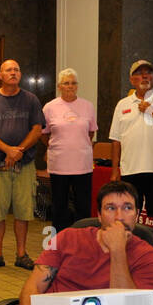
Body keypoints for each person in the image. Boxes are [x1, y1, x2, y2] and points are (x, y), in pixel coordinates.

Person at [19, 180, 153, 305]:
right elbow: (33, 288)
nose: (119, 216)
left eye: (127, 208)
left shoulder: (149, 256)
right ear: (99, 215)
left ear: (137, 215)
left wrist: (117, 249)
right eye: (111, 208)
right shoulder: (67, 237)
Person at [110, 59, 153, 273]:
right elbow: (115, 140)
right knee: (129, 216)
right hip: (131, 169)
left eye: (148, 73)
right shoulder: (122, 104)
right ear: (131, 79)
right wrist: (114, 171)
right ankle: (129, 256)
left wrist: (152, 112)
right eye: (139, 74)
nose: (144, 77)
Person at [0, 59, 45, 271]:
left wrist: (19, 151)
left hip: (24, 165)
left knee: (23, 211)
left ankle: (21, 254)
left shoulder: (31, 100)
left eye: (16, 69)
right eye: (9, 70)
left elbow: (37, 129)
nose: (13, 73)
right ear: (0, 75)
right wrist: (7, 150)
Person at [41, 69, 98, 231]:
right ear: (59, 86)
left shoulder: (87, 106)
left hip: (82, 165)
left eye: (73, 83)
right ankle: (60, 241)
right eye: (66, 83)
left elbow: (90, 132)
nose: (70, 86)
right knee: (59, 207)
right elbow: (44, 134)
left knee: (83, 206)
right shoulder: (49, 107)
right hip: (59, 165)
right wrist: (56, 145)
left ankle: (83, 241)